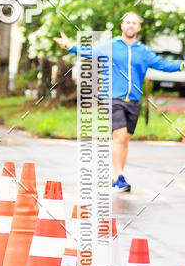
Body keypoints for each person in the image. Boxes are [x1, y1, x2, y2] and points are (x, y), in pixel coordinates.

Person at [55, 11, 185, 192]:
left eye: (134, 23)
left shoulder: (143, 52)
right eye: (127, 22)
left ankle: (118, 176)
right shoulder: (111, 46)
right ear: (122, 26)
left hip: (133, 101)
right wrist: (70, 46)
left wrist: (181, 65)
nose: (131, 25)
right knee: (119, 135)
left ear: (138, 27)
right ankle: (118, 176)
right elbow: (90, 52)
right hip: (112, 98)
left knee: (125, 140)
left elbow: (163, 64)